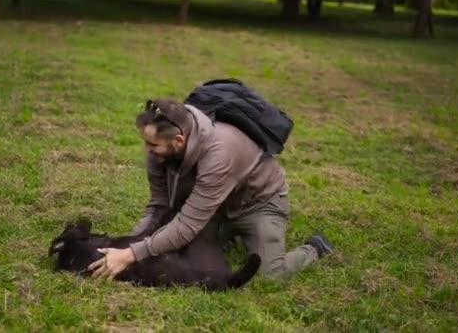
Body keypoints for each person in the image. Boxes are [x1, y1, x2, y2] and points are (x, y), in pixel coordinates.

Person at [88, 98, 333, 280]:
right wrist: (130, 244)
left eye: (152, 144)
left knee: (269, 274)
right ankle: (228, 234)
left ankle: (315, 248)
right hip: (215, 205)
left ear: (179, 141)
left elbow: (187, 225)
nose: (147, 150)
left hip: (258, 204)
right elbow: (159, 206)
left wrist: (130, 255)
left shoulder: (219, 154)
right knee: (177, 250)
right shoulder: (159, 151)